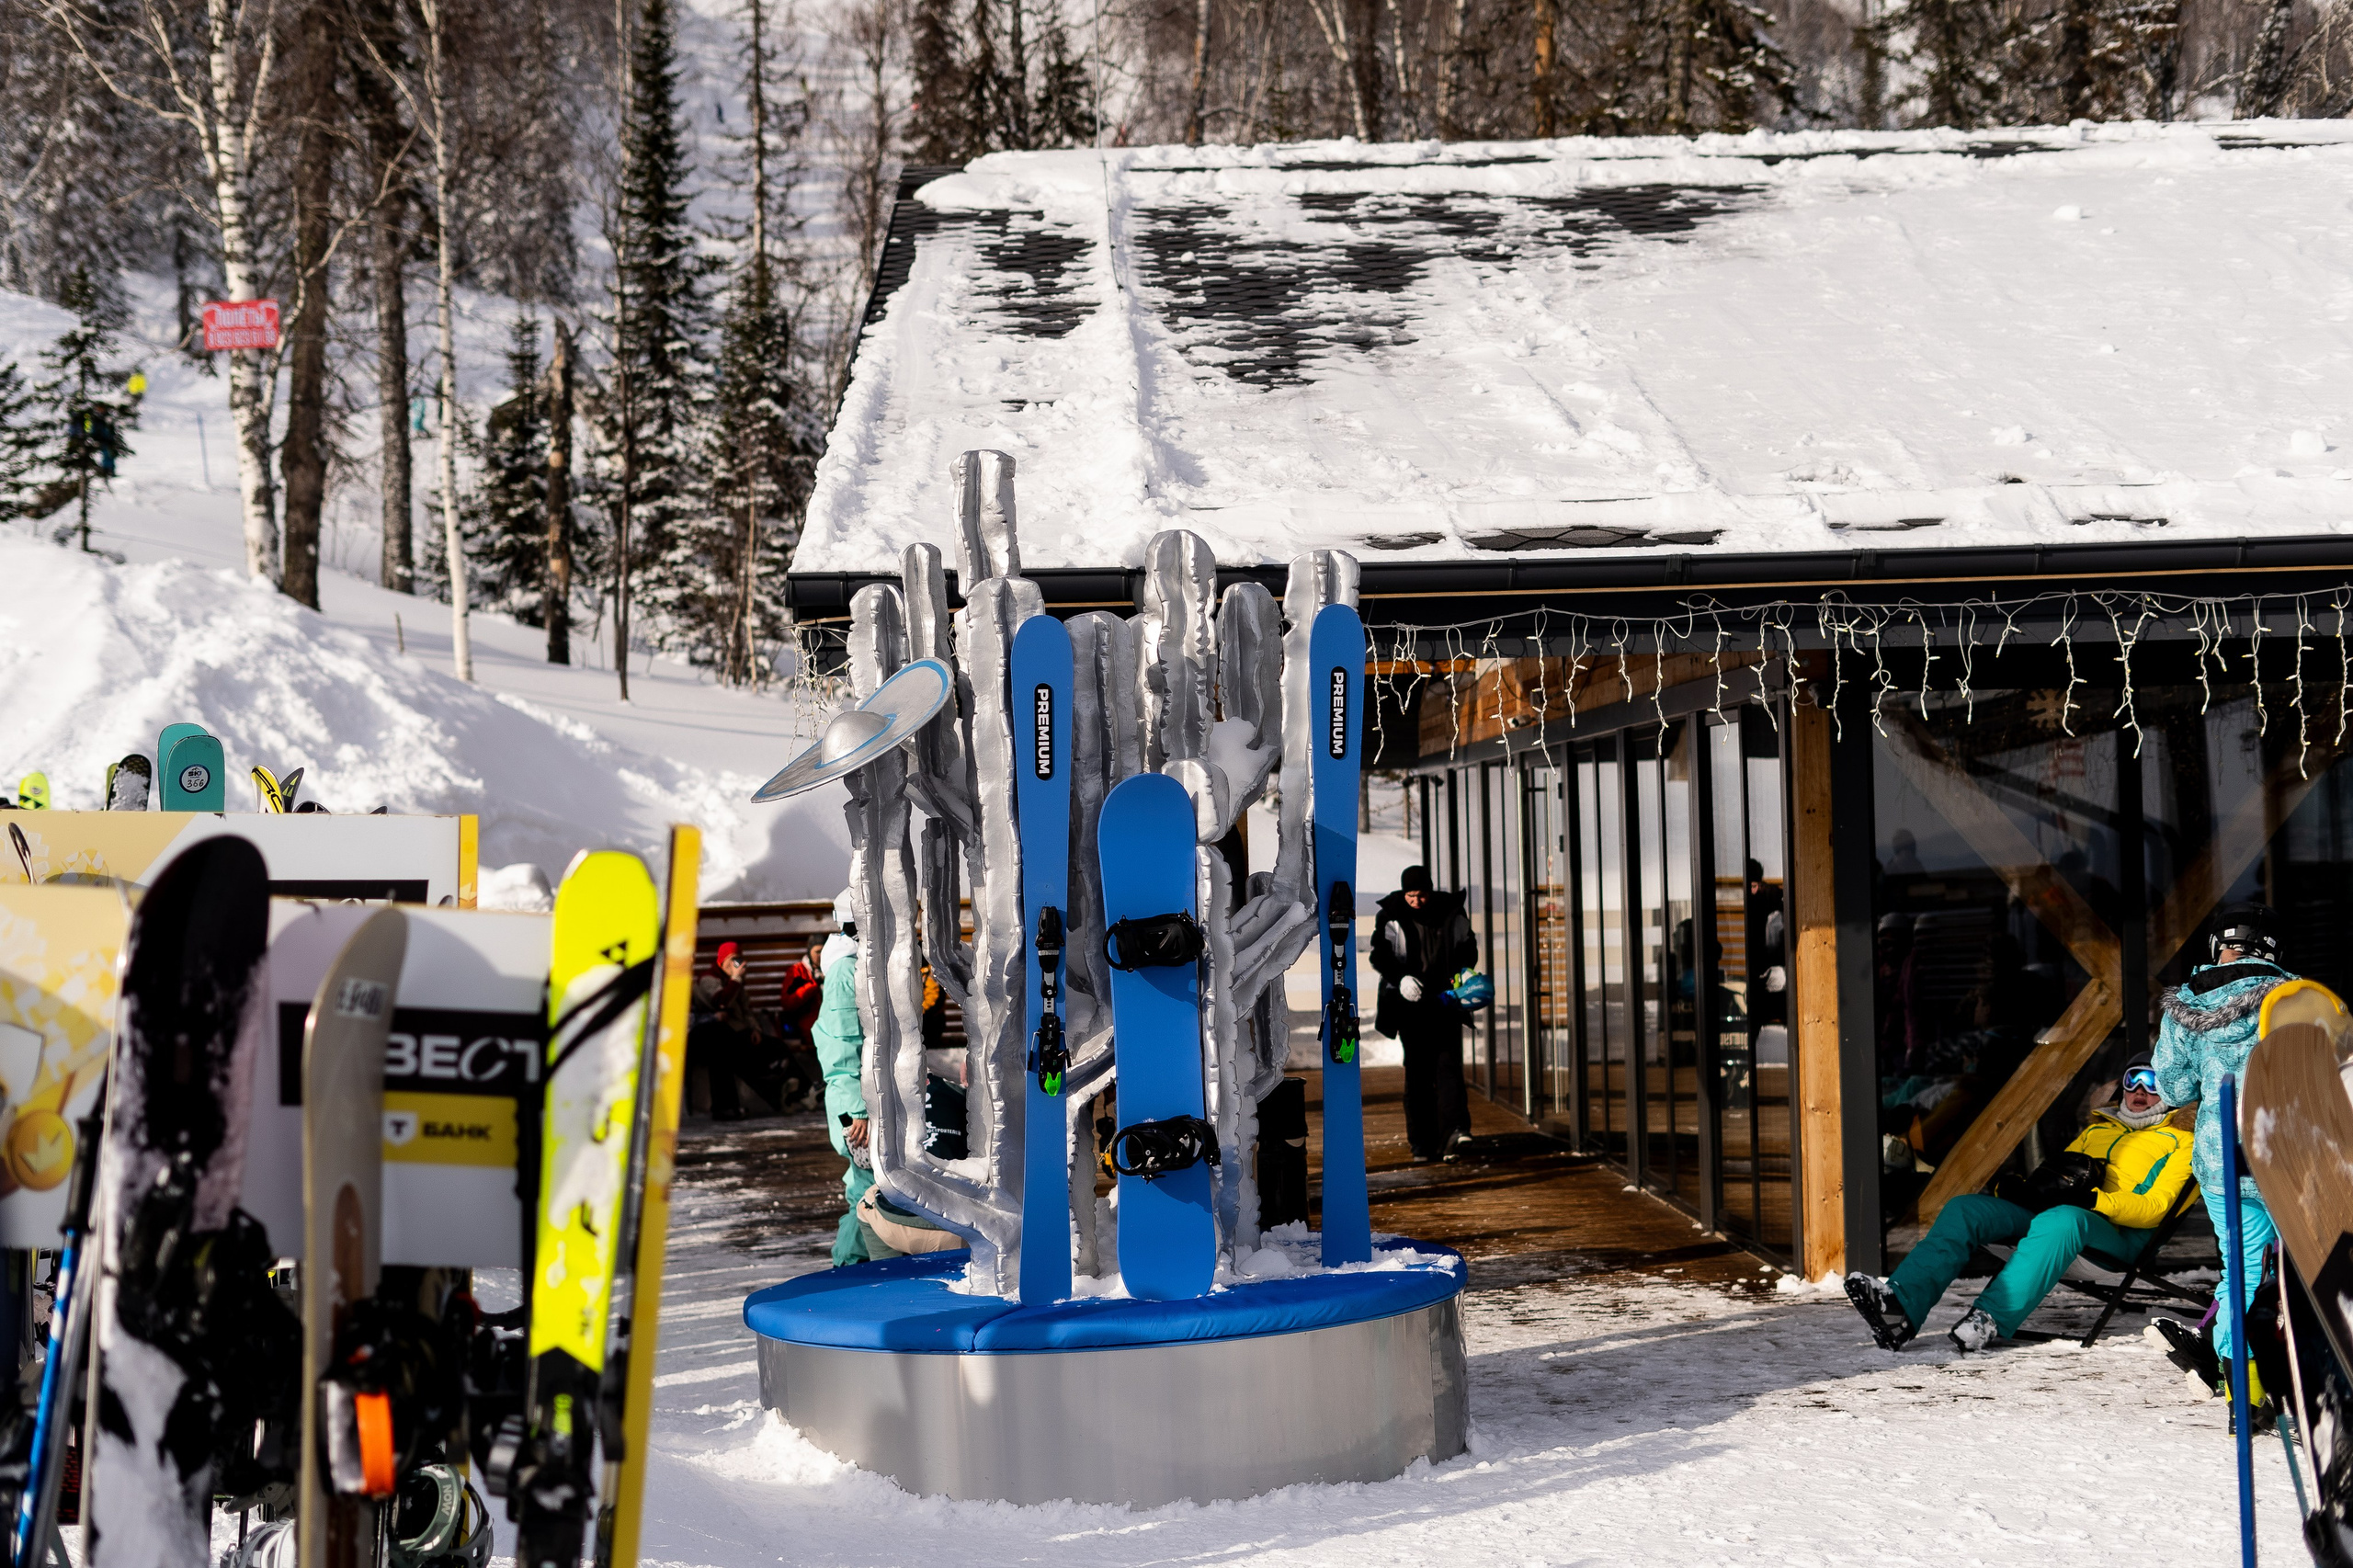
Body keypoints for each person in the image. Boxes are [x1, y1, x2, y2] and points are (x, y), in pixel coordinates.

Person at [1845, 1051, 2194, 1352]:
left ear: (2171, 1090)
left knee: (2062, 1219)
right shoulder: (2098, 1129)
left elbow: (2156, 1210)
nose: (2140, 1091)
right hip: (2059, 1221)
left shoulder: (2182, 1141)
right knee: (1966, 1209)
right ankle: (1901, 1308)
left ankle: (1991, 1317)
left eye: (2153, 1081)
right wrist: (2026, 1191)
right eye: (2134, 1079)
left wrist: (2094, 1201)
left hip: (2115, 1239)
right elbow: (2058, 1176)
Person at [2151, 901, 2294, 1382]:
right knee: (2308, 1274)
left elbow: (2171, 1089)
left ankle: (2243, 1391)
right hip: (2294, 1159)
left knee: (2243, 1272)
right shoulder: (2301, 999)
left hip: (2223, 1160)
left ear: (2219, 947)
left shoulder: (2187, 1004)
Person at [1370, 864, 1478, 1163]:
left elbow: (1468, 949)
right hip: (1410, 1007)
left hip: (1445, 1002)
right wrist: (1400, 978)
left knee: (1448, 1068)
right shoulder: (1390, 915)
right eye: (1411, 895)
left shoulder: (1452, 912)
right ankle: (1422, 1144)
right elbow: (1379, 955)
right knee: (1417, 1075)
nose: (1416, 901)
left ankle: (1455, 1134)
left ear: (1429, 891)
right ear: (1404, 893)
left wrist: (1466, 974)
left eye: (1421, 895)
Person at [813, 888, 881, 1267]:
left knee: (868, 1182)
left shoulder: (858, 965)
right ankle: (850, 1264)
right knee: (866, 1184)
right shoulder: (844, 971)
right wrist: (857, 1109)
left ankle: (856, 1262)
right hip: (853, 1106)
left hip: (863, 1101)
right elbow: (841, 1047)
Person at [688, 941, 758, 1120]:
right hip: (703, 1036)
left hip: (724, 1034)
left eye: (739, 960)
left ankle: (800, 1093)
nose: (736, 964)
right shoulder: (708, 979)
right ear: (722, 961)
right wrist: (736, 979)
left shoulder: (735, 982)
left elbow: (746, 1009)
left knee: (764, 1046)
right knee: (721, 1045)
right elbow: (721, 1002)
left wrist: (755, 1028)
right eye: (733, 960)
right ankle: (726, 1107)